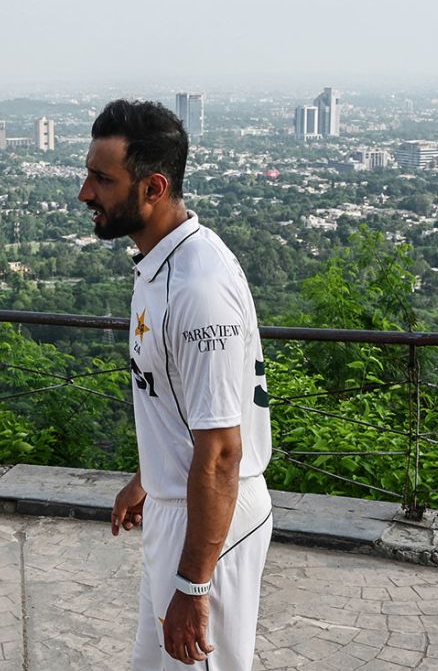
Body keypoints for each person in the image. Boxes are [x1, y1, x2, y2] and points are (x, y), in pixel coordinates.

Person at [78, 100, 273, 669]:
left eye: (102, 179)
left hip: (212, 519)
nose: (86, 193)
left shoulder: (197, 289)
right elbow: (182, 405)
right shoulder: (160, 265)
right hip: (178, 507)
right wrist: (148, 478)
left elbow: (220, 453)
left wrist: (193, 586)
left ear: (153, 187)